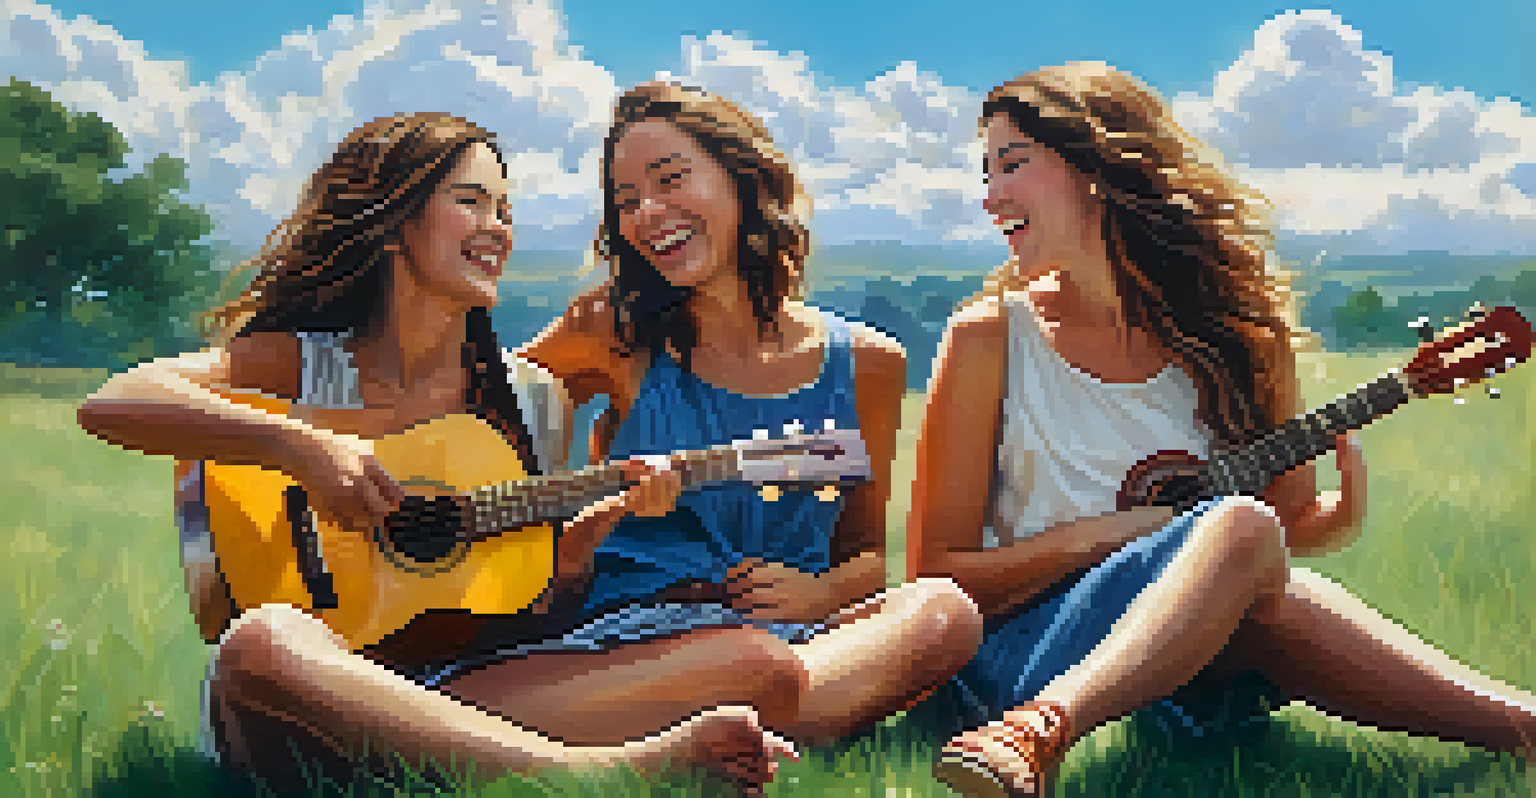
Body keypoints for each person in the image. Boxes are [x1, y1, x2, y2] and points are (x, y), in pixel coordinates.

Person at [77, 112, 799, 794]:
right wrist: (302, 448)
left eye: (505, 212)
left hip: (465, 679)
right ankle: (597, 774)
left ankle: (446, 757)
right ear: (394, 222)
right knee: (264, 643)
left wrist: (576, 550)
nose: (497, 230)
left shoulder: (530, 401)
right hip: (309, 687)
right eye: (472, 202)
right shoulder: (303, 366)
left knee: (755, 665)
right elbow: (115, 403)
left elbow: (523, 611)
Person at [908, 62, 1536, 796]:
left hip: (1191, 661)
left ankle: (1524, 730)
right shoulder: (991, 337)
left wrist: (1335, 519)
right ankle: (1030, 728)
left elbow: (1270, 538)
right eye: (986, 173)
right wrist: (1110, 536)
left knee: (1253, 556)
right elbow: (936, 576)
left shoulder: (1242, 339)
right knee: (1238, 529)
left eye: (1012, 166)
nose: (991, 199)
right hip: (1029, 650)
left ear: (1096, 168)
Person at [482, 80, 984, 747]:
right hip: (635, 642)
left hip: (799, 643)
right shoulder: (608, 331)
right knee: (749, 665)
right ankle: (754, 718)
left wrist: (820, 597)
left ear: (744, 180)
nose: (649, 212)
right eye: (626, 201)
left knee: (944, 612)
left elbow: (864, 558)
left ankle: (717, 727)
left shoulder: (868, 363)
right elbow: (473, 424)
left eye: (671, 180)